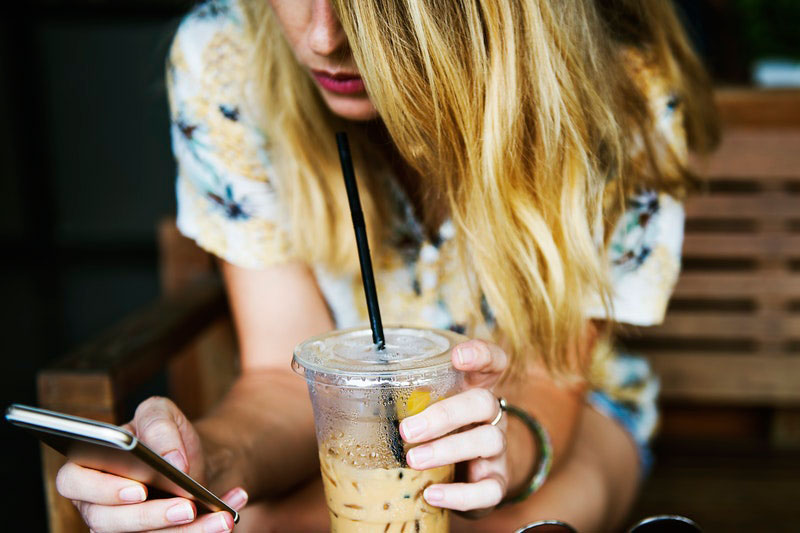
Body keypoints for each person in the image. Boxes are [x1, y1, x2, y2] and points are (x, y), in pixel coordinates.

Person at [55, 0, 719, 531]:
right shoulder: (226, 58)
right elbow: (281, 379)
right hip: (346, 428)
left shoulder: (619, 86)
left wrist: (493, 451)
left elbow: (552, 378)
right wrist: (201, 460)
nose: (322, 36)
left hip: (559, 414)